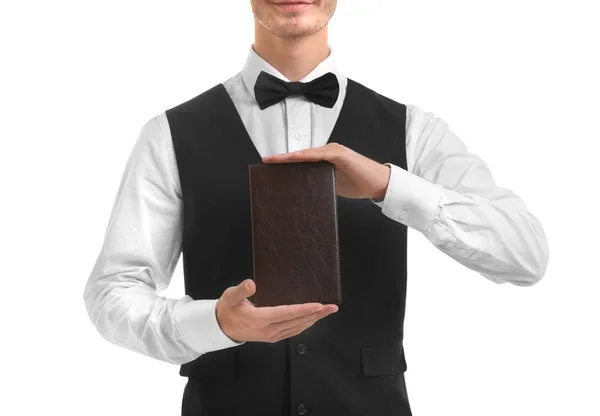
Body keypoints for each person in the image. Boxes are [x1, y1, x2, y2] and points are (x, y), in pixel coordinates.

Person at [82, 1, 550, 415]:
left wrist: (390, 186)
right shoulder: (169, 133)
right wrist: (215, 324)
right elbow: (112, 294)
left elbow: (526, 256)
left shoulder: (413, 131)